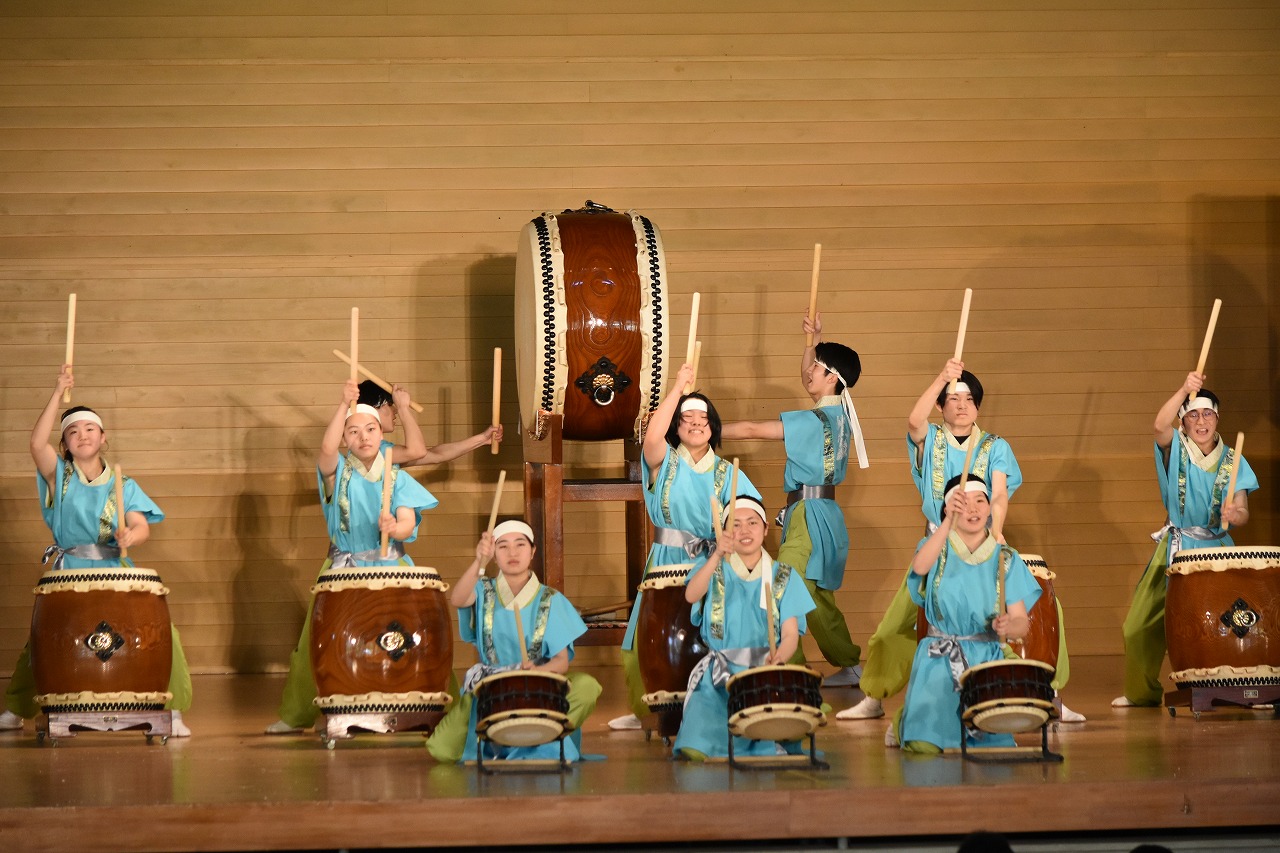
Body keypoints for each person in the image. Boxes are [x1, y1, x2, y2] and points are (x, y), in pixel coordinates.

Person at [1, 365, 194, 735]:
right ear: (66, 445)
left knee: (158, 633)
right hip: (70, 569)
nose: (82, 435)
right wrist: (58, 391)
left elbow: (140, 526)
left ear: (103, 438)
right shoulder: (59, 477)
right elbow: (35, 444)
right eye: (72, 431)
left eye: (90, 429)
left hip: (115, 568)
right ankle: (18, 708)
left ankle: (172, 709)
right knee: (45, 639)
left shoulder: (122, 482)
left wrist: (130, 538)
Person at [841, 359, 1022, 722]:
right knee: (893, 628)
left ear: (977, 406)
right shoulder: (933, 439)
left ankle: (1045, 693)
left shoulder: (994, 445)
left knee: (1017, 620)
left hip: (981, 546)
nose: (961, 404)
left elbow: (999, 493)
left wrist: (997, 529)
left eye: (969, 399)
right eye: (952, 398)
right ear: (941, 405)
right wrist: (942, 376)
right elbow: (913, 422)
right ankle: (875, 696)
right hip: (936, 547)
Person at [265, 381, 439, 734]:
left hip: (391, 565)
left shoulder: (394, 473)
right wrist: (342, 404)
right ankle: (297, 714)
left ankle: (426, 705)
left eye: (371, 429)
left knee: (409, 634)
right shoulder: (336, 472)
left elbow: (407, 521)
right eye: (353, 431)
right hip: (343, 568)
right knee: (317, 641)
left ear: (380, 433)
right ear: (345, 439)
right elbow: (326, 448)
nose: (363, 438)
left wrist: (396, 526)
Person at [608, 362, 762, 731]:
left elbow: (752, 516)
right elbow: (650, 439)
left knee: (710, 634)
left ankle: (715, 702)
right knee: (645, 638)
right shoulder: (666, 462)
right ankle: (648, 705)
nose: (696, 423)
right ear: (677, 426)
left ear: (714, 428)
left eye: (703, 419)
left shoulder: (727, 472)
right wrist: (677, 387)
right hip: (666, 558)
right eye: (686, 418)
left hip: (711, 561)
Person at [720, 312, 868, 687]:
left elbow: (754, 429)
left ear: (832, 377)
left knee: (782, 584)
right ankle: (848, 664)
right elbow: (810, 381)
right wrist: (811, 343)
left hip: (806, 516)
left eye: (816, 368)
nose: (807, 374)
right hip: (826, 513)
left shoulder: (813, 421)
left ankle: (790, 666)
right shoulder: (840, 417)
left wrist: (707, 429)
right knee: (814, 596)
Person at [1113, 372, 1257, 707]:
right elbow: (1159, 427)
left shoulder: (1234, 460)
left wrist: (1236, 515)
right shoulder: (1176, 448)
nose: (1201, 421)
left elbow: (1243, 509)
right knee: (1138, 625)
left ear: (1217, 418)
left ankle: (1226, 687)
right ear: (1184, 421)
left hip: (1217, 550)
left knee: (1225, 623)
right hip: (1176, 547)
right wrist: (1184, 390)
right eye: (1192, 414)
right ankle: (1140, 692)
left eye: (1207, 413)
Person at [426, 520, 602, 763]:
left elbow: (561, 662)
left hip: (539, 687)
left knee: (586, 687)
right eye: (503, 546)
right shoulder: (483, 589)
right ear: (494, 556)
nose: (513, 553)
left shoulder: (551, 599)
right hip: (494, 688)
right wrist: (479, 561)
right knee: (443, 749)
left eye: (520, 544)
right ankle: (529, 743)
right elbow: (457, 598)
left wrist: (539, 669)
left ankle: (538, 739)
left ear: (533, 551)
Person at [895, 475, 1041, 753]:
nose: (972, 510)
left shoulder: (1005, 557)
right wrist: (946, 523)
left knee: (992, 750)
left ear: (989, 508)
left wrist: (1009, 625)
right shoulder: (937, 549)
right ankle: (907, 720)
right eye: (962, 504)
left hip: (984, 663)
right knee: (925, 747)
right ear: (948, 511)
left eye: (979, 501)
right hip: (938, 662)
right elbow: (921, 567)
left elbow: (1022, 623)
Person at [673, 496, 816, 760]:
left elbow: (789, 635)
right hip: (719, 679)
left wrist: (780, 657)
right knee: (695, 749)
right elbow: (692, 595)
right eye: (735, 525)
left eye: (752, 522)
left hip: (763, 675)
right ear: (725, 533)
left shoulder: (783, 575)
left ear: (765, 528)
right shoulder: (714, 570)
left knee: (772, 732)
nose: (745, 530)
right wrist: (717, 554)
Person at [356, 378, 503, 467]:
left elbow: (437, 455)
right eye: (390, 403)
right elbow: (417, 451)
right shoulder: (367, 449)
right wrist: (403, 408)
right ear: (373, 408)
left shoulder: (383, 450)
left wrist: (483, 438)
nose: (394, 410)